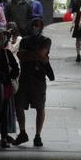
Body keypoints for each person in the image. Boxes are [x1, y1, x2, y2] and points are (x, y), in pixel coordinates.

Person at [13, 18, 53, 148]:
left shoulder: (46, 40)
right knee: (19, 105)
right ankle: (22, 132)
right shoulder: (25, 40)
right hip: (24, 77)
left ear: (41, 28)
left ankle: (38, 135)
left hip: (38, 78)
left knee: (40, 107)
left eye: (38, 25)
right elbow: (21, 55)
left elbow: (41, 54)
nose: (35, 27)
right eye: (34, 25)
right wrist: (38, 56)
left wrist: (30, 55)